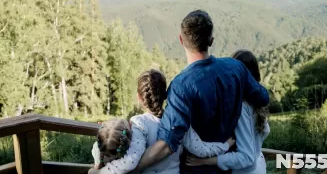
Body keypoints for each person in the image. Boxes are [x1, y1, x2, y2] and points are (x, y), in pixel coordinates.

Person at [135, 10, 270, 173]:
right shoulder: (236, 69)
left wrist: (132, 169)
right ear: (211, 40)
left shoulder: (180, 86)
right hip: (225, 168)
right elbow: (263, 98)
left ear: (180, 40)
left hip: (193, 169)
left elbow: (166, 144)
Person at [89, 69, 235, 174]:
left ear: (139, 97)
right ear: (165, 95)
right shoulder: (180, 121)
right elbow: (201, 149)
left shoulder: (138, 124)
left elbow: (131, 160)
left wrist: (100, 172)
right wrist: (226, 144)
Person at [186, 49, 270, 174]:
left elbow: (246, 157)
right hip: (260, 167)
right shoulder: (257, 103)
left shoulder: (241, 107)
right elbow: (261, 136)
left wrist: (206, 161)